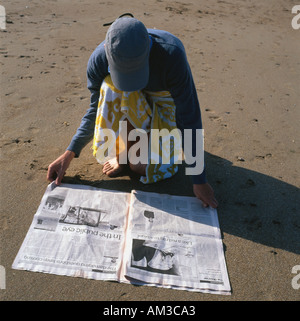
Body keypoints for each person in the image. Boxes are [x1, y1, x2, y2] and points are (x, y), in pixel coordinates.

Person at [47, 14, 218, 208]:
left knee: (141, 167)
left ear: (150, 50)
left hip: (163, 102)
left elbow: (189, 115)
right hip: (132, 105)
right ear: (106, 51)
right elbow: (96, 108)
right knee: (112, 88)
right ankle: (123, 154)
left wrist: (199, 179)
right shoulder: (98, 60)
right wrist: (70, 153)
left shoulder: (171, 55)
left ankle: (147, 145)